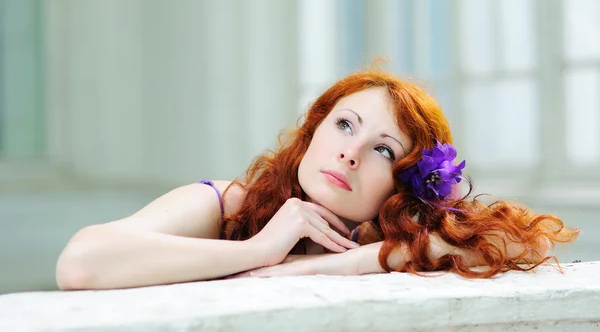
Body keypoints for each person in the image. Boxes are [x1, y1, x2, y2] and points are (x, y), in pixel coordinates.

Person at [56, 65, 579, 290]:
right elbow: (80, 263)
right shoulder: (230, 202)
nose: (350, 153)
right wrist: (258, 251)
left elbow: (522, 244)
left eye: (381, 148)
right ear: (312, 132)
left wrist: (346, 263)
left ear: (405, 183)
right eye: (344, 125)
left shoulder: (390, 237)